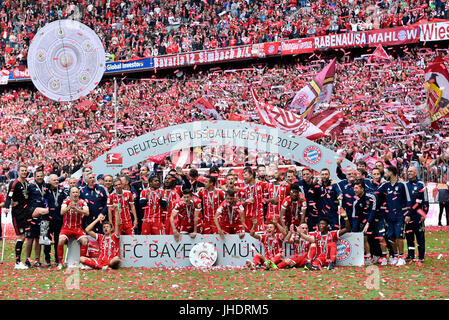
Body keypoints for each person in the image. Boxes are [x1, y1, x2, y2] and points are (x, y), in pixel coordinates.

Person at [377, 166, 411, 266]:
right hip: (389, 216)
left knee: (399, 236)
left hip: (400, 216)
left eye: (386, 172)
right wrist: (381, 183)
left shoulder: (401, 185)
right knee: (391, 236)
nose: (384, 174)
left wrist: (407, 214)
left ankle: (401, 257)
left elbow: (408, 200)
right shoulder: (385, 185)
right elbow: (376, 193)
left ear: (391, 173)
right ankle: (395, 255)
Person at [4, 164, 32, 269]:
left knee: (23, 236)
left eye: (25, 170)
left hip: (25, 212)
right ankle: (17, 262)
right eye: (22, 170)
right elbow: (9, 196)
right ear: (18, 172)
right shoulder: (14, 183)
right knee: (20, 236)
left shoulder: (27, 183)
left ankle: (19, 261)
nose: (24, 172)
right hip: (17, 213)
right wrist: (6, 206)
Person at [57, 187, 90, 270]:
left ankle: (81, 263)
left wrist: (77, 209)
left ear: (79, 194)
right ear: (70, 194)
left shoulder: (82, 202)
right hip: (66, 228)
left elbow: (87, 213)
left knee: (85, 241)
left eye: (76, 192)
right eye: (73, 192)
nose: (75, 194)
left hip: (78, 228)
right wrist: (69, 208)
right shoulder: (66, 201)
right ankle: (60, 263)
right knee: (61, 240)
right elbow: (62, 212)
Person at [404, 166, 429, 263]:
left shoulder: (421, 184)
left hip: (418, 216)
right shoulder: (405, 185)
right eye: (408, 171)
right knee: (409, 237)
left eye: (411, 171)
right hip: (408, 216)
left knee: (420, 237)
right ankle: (411, 255)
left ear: (415, 173)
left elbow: (425, 201)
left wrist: (424, 214)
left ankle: (421, 256)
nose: (409, 173)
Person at [43, 174, 68, 267]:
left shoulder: (62, 190)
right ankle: (47, 260)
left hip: (58, 219)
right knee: (46, 241)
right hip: (46, 219)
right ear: (49, 181)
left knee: (58, 240)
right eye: (54, 180)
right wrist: (61, 178)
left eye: (57, 180)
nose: (56, 181)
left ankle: (58, 260)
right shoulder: (46, 189)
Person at [351, 179, 377, 264]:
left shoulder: (371, 197)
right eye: (354, 188)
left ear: (362, 189)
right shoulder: (356, 201)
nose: (355, 190)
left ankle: (379, 255)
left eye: (357, 188)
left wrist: (368, 223)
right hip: (363, 221)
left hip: (374, 219)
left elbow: (373, 211)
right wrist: (354, 231)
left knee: (376, 239)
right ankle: (368, 257)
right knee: (364, 237)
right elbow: (355, 217)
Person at [238, 167, 266, 232]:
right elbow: (239, 205)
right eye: (243, 175)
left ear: (251, 176)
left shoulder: (261, 185)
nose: (243, 177)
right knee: (247, 238)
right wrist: (246, 201)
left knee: (258, 237)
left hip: (258, 216)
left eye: (245, 175)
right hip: (247, 218)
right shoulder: (243, 190)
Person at [131, 165, 151, 235]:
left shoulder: (153, 183)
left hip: (151, 212)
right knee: (139, 232)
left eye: (143, 170)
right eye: (140, 170)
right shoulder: (135, 185)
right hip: (139, 212)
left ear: (148, 172)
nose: (141, 172)